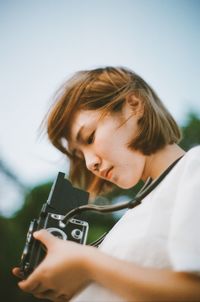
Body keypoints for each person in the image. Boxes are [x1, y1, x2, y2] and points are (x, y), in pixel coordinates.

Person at [13, 67, 200, 301]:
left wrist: (86, 262)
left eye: (90, 137)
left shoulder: (194, 166)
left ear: (134, 104)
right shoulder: (133, 214)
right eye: (81, 155)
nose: (90, 163)